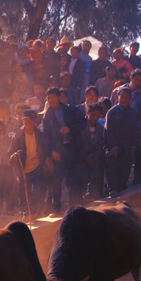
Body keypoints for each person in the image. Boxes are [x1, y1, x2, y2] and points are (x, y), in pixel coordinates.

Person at [40, 87, 88, 215]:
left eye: (53, 97)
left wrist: (70, 129)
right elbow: (45, 136)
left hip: (72, 148)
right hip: (58, 152)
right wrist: (51, 151)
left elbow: (83, 122)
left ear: (59, 96)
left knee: (74, 178)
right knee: (56, 181)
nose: (51, 100)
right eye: (49, 98)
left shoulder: (70, 110)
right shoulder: (47, 115)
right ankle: (56, 208)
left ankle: (75, 208)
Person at [8, 109, 46, 222]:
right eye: (25, 121)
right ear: (22, 121)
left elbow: (44, 148)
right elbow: (10, 153)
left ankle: (32, 211)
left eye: (30, 121)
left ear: (34, 121)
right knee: (23, 193)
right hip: (24, 168)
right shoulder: (17, 135)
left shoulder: (39, 133)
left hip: (37, 165)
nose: (27, 123)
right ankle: (26, 214)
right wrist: (14, 156)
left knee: (40, 188)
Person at [104, 88, 140, 196]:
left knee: (125, 168)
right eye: (122, 97)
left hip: (128, 145)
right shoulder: (112, 112)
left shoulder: (133, 113)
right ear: (117, 97)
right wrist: (112, 145)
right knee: (113, 169)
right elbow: (108, 130)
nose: (124, 99)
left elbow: (135, 130)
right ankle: (112, 189)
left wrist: (133, 145)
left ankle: (122, 188)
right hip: (114, 145)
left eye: (127, 97)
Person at [0, 99, 22, 216]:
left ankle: (10, 208)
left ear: (4, 110)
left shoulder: (16, 123)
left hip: (10, 159)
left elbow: (18, 139)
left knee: (10, 184)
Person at [79, 102, 106, 201]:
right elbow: (78, 143)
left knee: (95, 178)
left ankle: (91, 197)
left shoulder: (100, 128)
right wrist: (85, 156)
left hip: (94, 158)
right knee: (82, 180)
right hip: (81, 158)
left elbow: (100, 145)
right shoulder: (80, 126)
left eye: (98, 116)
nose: (95, 117)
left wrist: (92, 156)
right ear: (88, 113)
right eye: (93, 115)